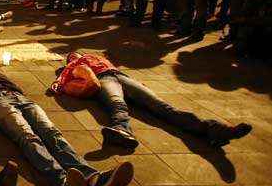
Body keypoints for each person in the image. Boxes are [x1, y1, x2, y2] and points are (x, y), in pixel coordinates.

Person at [0, 60, 134, 186]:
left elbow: (14, 85)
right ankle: (64, 182)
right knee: (28, 136)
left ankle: (93, 179)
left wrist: (19, 95)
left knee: (51, 132)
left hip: (20, 98)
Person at [50, 52, 253, 149]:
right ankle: (122, 130)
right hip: (104, 79)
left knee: (162, 107)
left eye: (76, 53)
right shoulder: (74, 65)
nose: (76, 54)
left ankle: (213, 129)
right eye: (72, 55)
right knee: (117, 104)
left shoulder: (97, 56)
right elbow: (66, 83)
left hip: (120, 75)